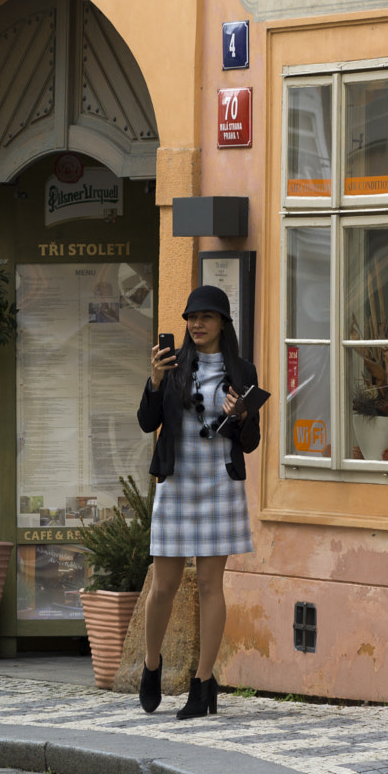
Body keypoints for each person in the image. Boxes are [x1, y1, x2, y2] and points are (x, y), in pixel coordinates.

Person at [136, 285, 261, 719]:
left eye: (207, 316)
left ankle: (203, 681)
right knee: (163, 586)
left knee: (211, 586)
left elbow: (250, 442)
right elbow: (146, 422)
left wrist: (241, 415)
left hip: (219, 487)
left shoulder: (242, 371)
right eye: (192, 317)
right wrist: (154, 382)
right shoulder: (171, 366)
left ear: (223, 322)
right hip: (177, 485)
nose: (198, 324)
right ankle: (152, 666)